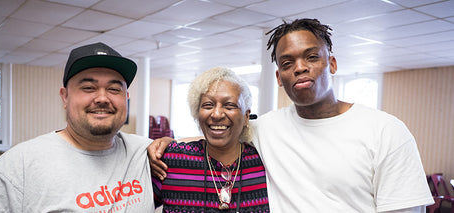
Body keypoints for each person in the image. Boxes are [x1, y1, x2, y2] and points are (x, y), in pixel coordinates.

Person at [149, 18, 434, 212]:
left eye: (311, 57)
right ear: (278, 77)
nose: (299, 68)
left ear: (332, 63)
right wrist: (165, 144)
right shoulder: (268, 128)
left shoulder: (386, 131)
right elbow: (223, 129)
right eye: (288, 62)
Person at [0, 42, 155, 212]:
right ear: (65, 97)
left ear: (126, 98)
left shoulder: (146, 153)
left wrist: (167, 144)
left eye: (114, 89)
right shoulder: (17, 168)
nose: (102, 98)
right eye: (88, 88)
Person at [152, 67, 270, 212]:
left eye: (229, 105)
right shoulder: (171, 160)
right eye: (208, 105)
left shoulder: (265, 163)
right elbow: (134, 204)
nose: (217, 114)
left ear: (246, 117)